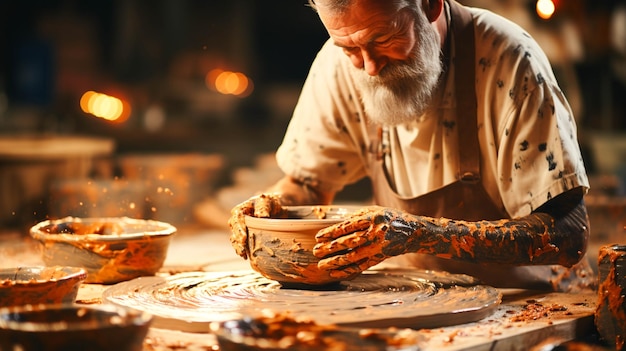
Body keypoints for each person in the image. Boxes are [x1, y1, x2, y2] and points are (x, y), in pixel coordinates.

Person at [228, 0, 594, 291]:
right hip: (412, 300)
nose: (369, 67)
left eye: (383, 38)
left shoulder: (509, 59)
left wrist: (419, 235)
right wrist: (273, 208)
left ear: (431, 5)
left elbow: (568, 234)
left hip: (521, 302)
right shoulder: (339, 66)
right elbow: (309, 185)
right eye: (349, 48)